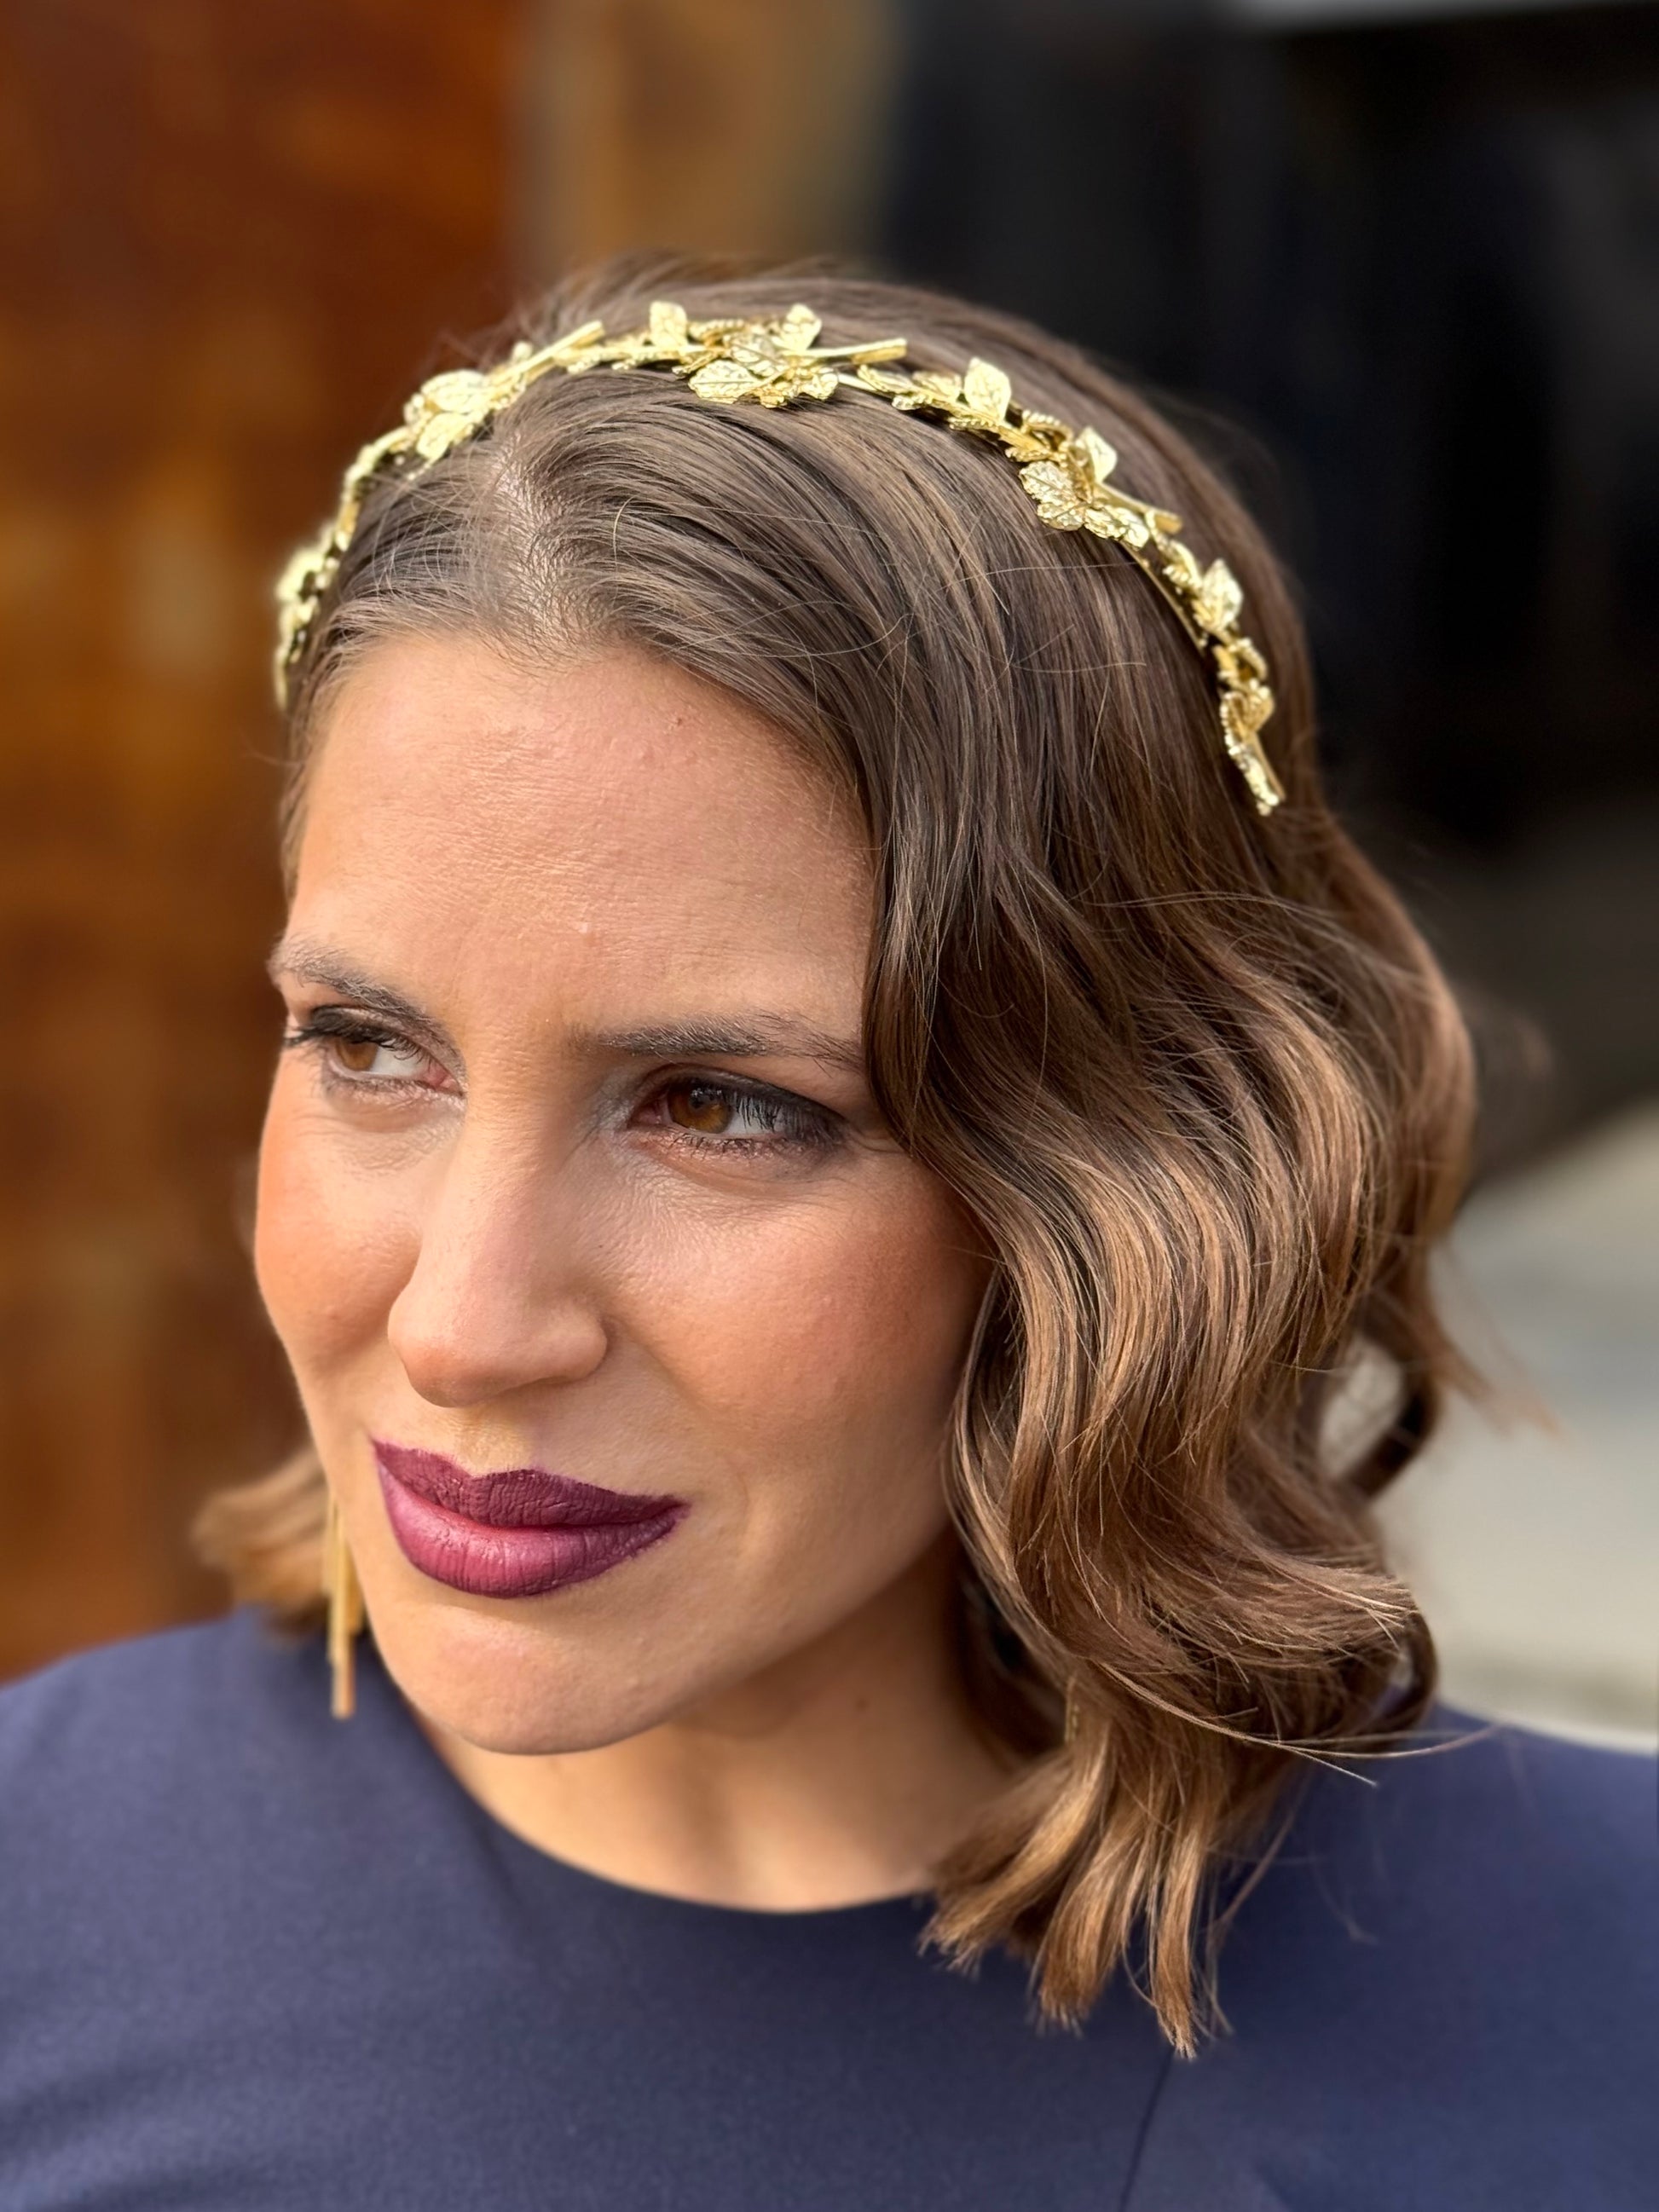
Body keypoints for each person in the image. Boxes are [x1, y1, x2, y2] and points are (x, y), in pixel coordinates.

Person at [2, 262, 1651, 2210]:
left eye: (718, 1105)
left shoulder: (1597, 2001)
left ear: (1133, 1173)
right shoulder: (41, 1907)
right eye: (369, 1046)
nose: (461, 1320)